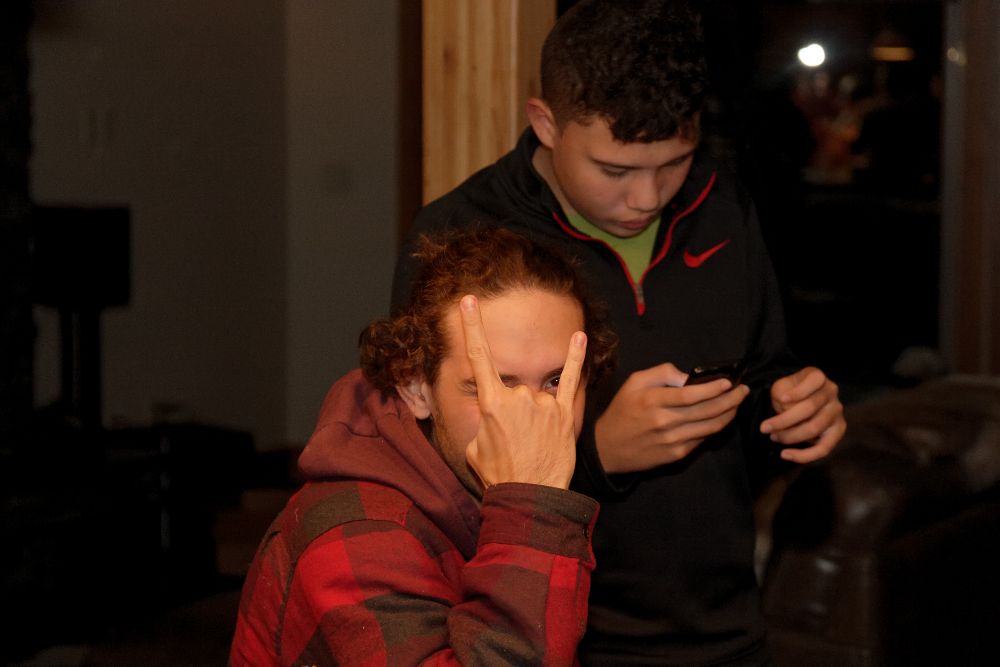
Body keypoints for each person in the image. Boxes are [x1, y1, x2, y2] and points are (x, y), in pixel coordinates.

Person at [391, 1, 847, 665]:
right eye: (615, 170)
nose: (647, 197)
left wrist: (794, 413)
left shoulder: (721, 206)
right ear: (545, 123)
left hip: (724, 626)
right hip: (555, 636)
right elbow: (430, 477)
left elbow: (760, 378)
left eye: (675, 162)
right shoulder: (462, 235)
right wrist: (599, 453)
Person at [230, 227, 618, 666]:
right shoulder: (357, 534)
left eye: (557, 381)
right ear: (417, 390)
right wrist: (534, 507)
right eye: (490, 386)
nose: (531, 416)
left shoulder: (490, 487)